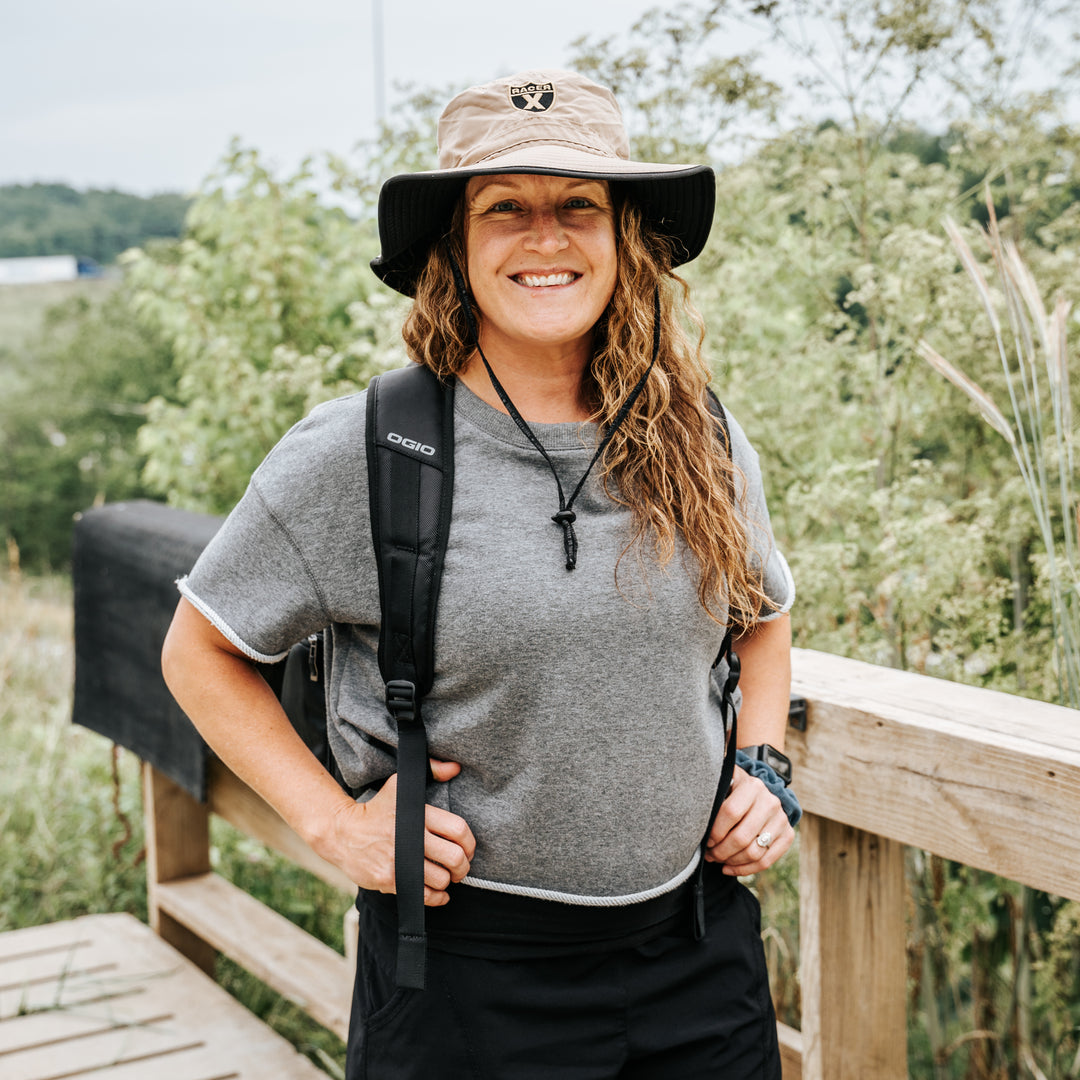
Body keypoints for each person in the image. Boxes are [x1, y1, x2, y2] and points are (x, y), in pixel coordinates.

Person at [162, 69, 798, 1079]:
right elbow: (199, 649)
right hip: (463, 974)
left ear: (624, 235)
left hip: (697, 954)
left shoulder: (699, 434)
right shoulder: (365, 453)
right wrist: (336, 828)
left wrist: (765, 768)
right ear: (455, 247)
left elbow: (760, 617)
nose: (546, 236)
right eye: (505, 208)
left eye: (578, 204)